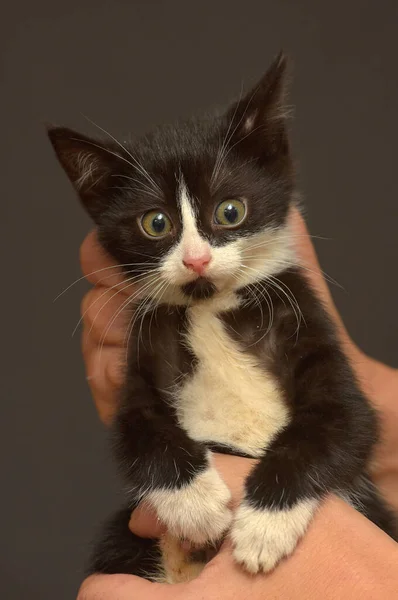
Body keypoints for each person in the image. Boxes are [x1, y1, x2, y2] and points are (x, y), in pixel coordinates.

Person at [77, 208, 398, 599]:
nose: (197, 256)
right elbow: (137, 430)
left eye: (228, 214)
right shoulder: (153, 317)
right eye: (157, 225)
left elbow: (347, 420)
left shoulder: (284, 298)